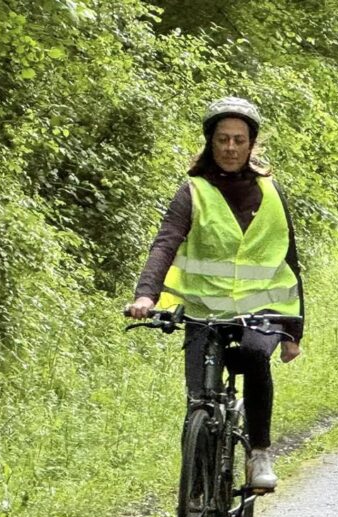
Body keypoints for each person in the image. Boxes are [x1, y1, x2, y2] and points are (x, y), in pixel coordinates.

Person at [129, 96, 304, 494]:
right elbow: (165, 243)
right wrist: (145, 296)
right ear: (210, 142)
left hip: (261, 310)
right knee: (198, 403)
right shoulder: (193, 191)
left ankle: (258, 452)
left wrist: (295, 331)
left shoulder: (270, 192)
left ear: (251, 144)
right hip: (204, 312)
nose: (230, 147)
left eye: (239, 140)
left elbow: (289, 259)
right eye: (222, 139)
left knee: (256, 357)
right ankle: (192, 503)